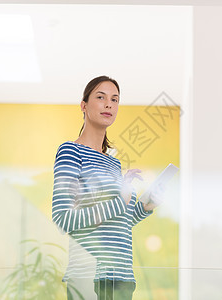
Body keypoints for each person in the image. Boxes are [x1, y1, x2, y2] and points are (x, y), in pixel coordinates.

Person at [51, 75, 162, 300]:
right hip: (89, 276)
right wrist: (119, 200)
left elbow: (118, 220)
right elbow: (63, 218)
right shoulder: (71, 152)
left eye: (115, 99)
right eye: (100, 97)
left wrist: (144, 207)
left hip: (122, 277)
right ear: (84, 106)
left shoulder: (113, 163)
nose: (109, 104)